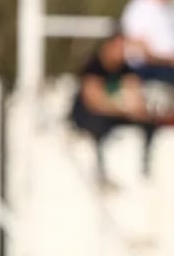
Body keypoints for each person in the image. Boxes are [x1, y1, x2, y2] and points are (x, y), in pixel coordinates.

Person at [69, 29, 167, 185]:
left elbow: (134, 92)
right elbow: (94, 100)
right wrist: (121, 107)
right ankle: (101, 175)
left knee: (149, 124)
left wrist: (135, 109)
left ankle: (146, 169)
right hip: (89, 116)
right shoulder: (94, 67)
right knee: (97, 128)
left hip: (115, 113)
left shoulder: (125, 69)